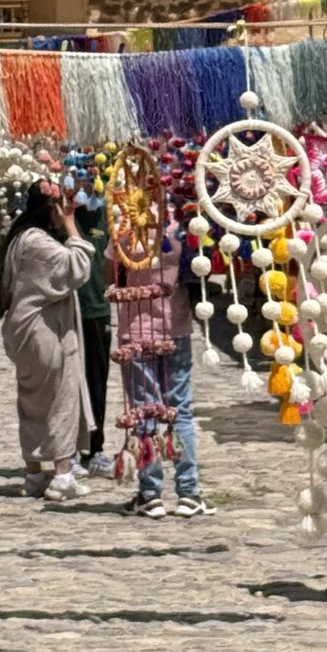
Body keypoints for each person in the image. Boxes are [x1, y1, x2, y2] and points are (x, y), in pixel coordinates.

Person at [0, 181, 93, 501]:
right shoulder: (36, 241)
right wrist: (71, 226)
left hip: (24, 330)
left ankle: (34, 475)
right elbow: (76, 266)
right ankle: (62, 474)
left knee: (32, 402)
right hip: (43, 331)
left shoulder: (20, 237)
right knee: (59, 399)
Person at [132, 207, 206, 519]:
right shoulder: (186, 222)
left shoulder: (125, 220)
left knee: (145, 410)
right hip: (175, 325)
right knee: (181, 409)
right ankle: (188, 492)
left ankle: (150, 494)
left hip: (135, 327)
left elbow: (112, 271)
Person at [75, 191, 115, 478]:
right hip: (65, 311)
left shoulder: (106, 213)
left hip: (97, 309)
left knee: (96, 382)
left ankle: (94, 447)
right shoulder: (62, 214)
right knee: (66, 383)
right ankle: (67, 448)